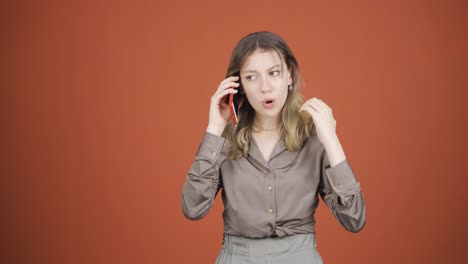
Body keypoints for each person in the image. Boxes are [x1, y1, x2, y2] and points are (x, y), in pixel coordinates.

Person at [181, 31, 366, 264]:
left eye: (274, 73)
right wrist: (214, 127)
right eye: (251, 77)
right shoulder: (223, 139)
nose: (265, 87)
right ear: (238, 86)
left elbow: (354, 218)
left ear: (290, 75)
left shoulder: (314, 136)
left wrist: (331, 140)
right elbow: (192, 208)